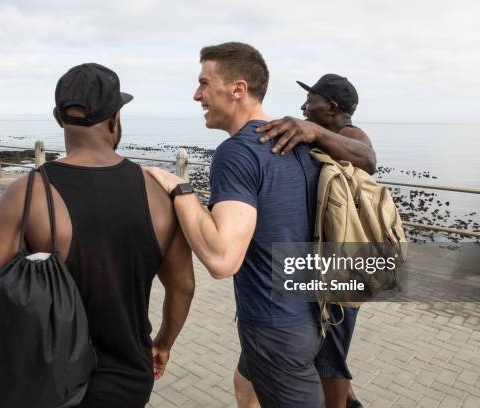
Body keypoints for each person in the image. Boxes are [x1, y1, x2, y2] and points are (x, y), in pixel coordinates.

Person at [144, 43, 375, 408]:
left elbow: (222, 260)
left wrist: (179, 189)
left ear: (238, 89)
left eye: (204, 83)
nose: (196, 95)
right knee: (245, 382)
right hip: (314, 316)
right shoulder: (302, 143)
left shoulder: (238, 152)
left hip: (275, 328)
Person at [0, 63, 195, 408]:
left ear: (59, 118)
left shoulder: (26, 195)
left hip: (48, 387)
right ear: (115, 119)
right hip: (130, 379)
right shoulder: (160, 195)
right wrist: (162, 343)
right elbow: (183, 287)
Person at [256, 74, 374, 408]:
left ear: (332, 107)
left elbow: (368, 158)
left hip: (341, 268)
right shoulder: (324, 138)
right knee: (325, 348)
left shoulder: (349, 134)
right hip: (319, 263)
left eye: (311, 100)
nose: (303, 106)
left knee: (330, 357)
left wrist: (315, 131)